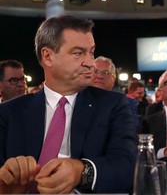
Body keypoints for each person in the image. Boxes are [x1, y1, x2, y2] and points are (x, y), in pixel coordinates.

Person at [0, 15, 136, 194]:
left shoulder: (113, 105)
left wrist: (81, 171)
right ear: (48, 57)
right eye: (78, 53)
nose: (90, 63)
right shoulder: (9, 113)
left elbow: (127, 166)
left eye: (91, 52)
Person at [91, 55, 139, 131]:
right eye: (95, 71)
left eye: (105, 72)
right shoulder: (76, 99)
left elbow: (129, 131)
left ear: (113, 78)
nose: (99, 76)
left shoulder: (126, 103)